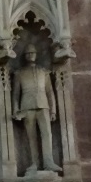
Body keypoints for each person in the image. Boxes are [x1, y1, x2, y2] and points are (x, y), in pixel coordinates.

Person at [13, 44, 62, 174]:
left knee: (47, 134)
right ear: (25, 56)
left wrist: (53, 110)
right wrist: (16, 110)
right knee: (31, 136)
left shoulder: (43, 72)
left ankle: (48, 162)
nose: (30, 55)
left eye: (32, 53)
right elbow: (16, 94)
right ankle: (34, 163)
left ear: (36, 55)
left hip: (43, 105)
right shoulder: (20, 73)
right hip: (27, 106)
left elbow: (50, 92)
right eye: (28, 54)